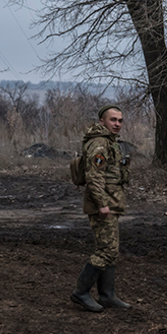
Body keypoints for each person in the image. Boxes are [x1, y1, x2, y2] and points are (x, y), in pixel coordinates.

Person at [70, 104, 132, 312]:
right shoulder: (99, 144)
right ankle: (81, 292)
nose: (117, 124)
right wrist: (102, 204)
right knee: (107, 250)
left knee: (111, 250)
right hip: (102, 204)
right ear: (102, 122)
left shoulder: (110, 142)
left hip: (111, 202)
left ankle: (107, 295)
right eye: (113, 120)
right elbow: (94, 177)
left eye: (120, 120)